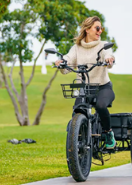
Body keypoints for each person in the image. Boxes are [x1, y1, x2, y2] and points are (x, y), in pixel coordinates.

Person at [55, 16, 117, 149]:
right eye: (97, 28)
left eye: (101, 28)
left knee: (100, 106)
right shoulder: (77, 48)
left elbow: (108, 54)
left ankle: (108, 133)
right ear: (87, 30)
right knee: (77, 110)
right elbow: (68, 59)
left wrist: (109, 59)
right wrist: (62, 62)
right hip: (83, 88)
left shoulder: (102, 45)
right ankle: (78, 140)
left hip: (103, 87)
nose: (100, 31)